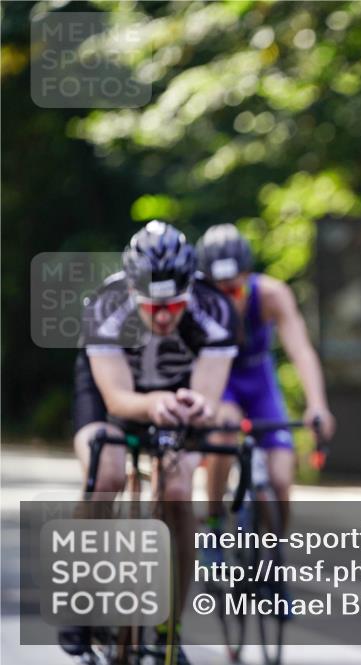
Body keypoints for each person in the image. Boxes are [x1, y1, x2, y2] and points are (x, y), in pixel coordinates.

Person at [63, 220, 239, 663]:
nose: (162, 317)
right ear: (133, 293)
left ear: (190, 292)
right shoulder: (106, 304)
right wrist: (153, 402)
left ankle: (168, 627)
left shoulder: (214, 309)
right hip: (114, 396)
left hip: (178, 393)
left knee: (178, 491)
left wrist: (197, 408)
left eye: (174, 306)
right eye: (151, 307)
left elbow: (209, 396)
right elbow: (118, 399)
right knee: (104, 475)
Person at [195, 223, 336, 537]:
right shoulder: (196, 303)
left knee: (281, 479)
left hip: (259, 383)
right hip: (223, 383)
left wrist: (317, 405)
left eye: (234, 290)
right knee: (225, 430)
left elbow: (301, 351)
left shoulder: (272, 294)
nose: (228, 301)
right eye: (219, 291)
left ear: (248, 277)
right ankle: (214, 522)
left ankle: (274, 554)